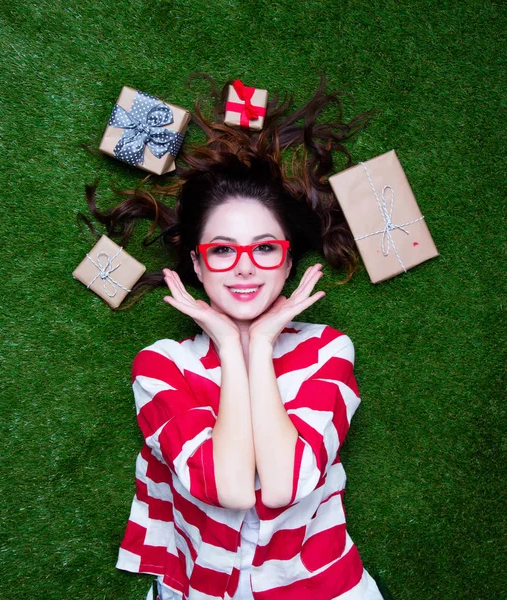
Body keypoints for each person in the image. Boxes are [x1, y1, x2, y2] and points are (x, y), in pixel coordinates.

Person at [79, 76, 394, 599]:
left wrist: (263, 346)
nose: (244, 269)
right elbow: (227, 489)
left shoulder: (327, 350)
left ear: (288, 260)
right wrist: (230, 344)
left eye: (264, 249)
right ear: (198, 267)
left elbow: (285, 485)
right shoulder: (161, 365)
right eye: (222, 251)